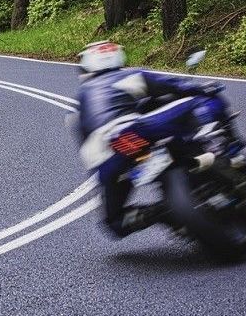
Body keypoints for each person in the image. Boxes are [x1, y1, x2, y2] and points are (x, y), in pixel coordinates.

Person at [75, 40, 236, 239]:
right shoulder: (128, 75)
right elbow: (173, 85)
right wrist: (202, 89)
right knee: (200, 100)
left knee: (114, 223)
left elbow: (86, 149)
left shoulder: (78, 104)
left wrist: (106, 176)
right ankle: (219, 146)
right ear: (117, 57)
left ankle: (164, 214)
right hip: (135, 132)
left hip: (111, 159)